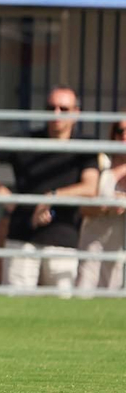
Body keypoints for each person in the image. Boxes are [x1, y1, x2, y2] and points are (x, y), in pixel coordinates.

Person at [0, 86, 98, 290]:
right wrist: (3, 195)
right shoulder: (26, 139)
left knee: (62, 313)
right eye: (50, 108)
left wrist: (51, 197)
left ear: (76, 113)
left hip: (63, 240)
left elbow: (90, 187)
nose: (56, 114)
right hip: (22, 238)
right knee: (16, 309)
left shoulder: (85, 146)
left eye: (63, 108)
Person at [77, 120, 126, 293]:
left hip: (120, 249)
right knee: (84, 296)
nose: (124, 135)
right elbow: (84, 206)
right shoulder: (100, 162)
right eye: (120, 131)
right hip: (94, 244)